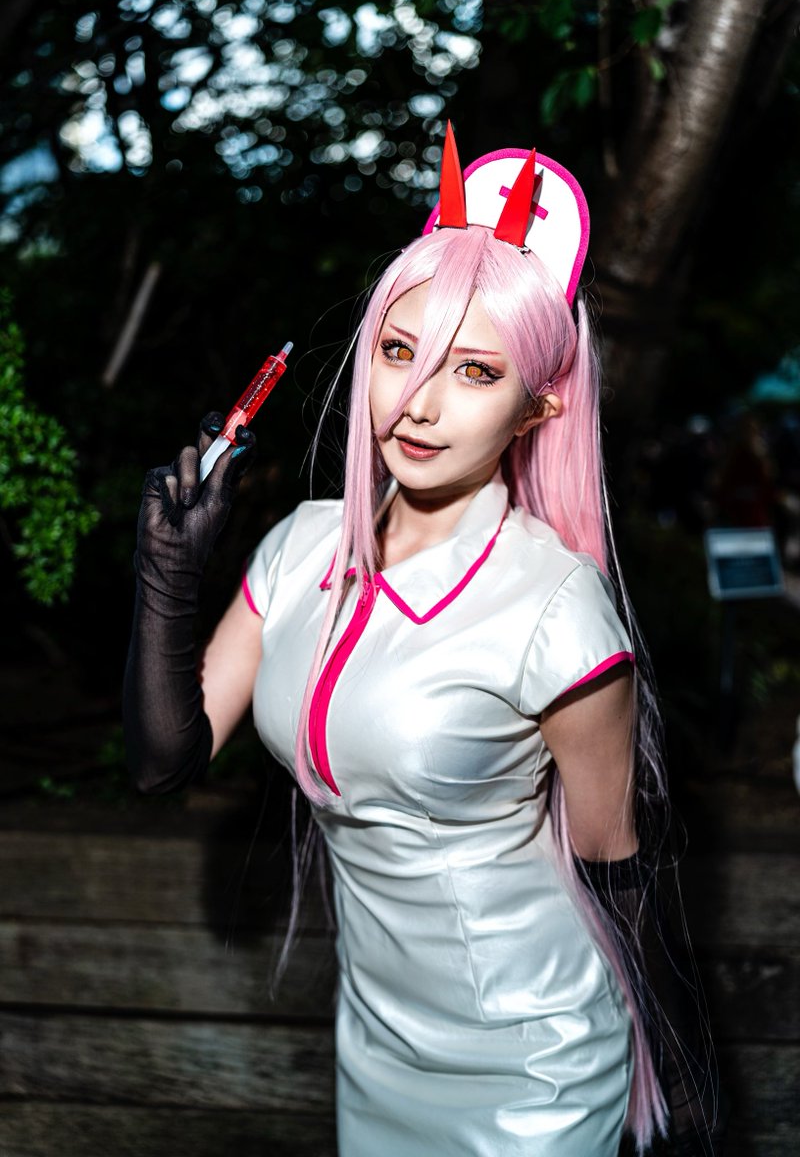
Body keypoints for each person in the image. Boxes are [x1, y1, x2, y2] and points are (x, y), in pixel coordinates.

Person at [124, 126, 722, 1156]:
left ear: (536, 407)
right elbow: (161, 762)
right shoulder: (299, 545)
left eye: (475, 370)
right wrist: (167, 576)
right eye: (399, 353)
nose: (419, 402)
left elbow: (618, 869)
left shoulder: (556, 607)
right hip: (375, 1048)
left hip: (533, 1065)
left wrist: (688, 1082)